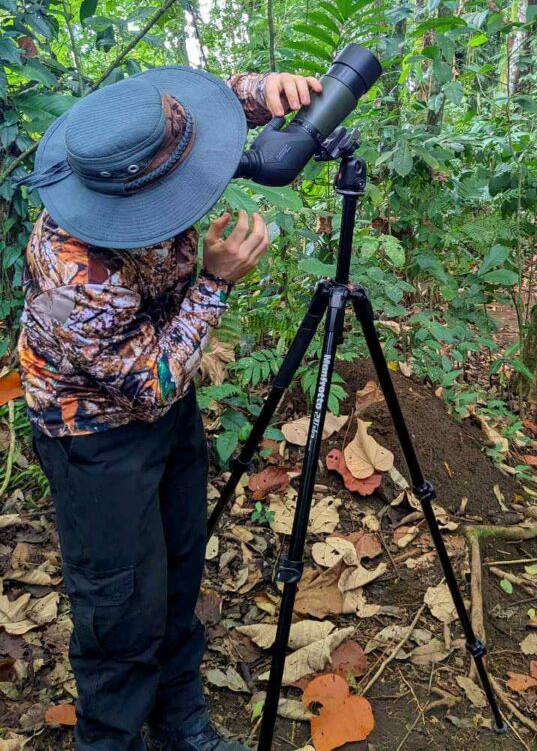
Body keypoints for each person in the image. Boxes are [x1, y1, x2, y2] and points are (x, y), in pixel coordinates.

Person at [16, 65, 321, 751]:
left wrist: (262, 92)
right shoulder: (76, 273)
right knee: (122, 609)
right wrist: (215, 283)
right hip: (93, 434)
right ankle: (112, 739)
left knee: (180, 572)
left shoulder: (133, 136)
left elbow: (193, 111)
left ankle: (182, 724)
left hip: (169, 416)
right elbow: (149, 380)